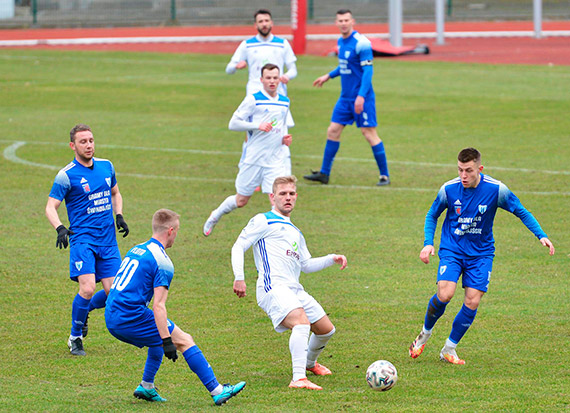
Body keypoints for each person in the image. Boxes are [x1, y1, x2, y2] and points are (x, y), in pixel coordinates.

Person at [409, 148, 555, 365]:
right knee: (445, 294)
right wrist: (428, 243)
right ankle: (424, 334)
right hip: (453, 249)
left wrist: (541, 235)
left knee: (472, 300)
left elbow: (521, 211)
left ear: (480, 168)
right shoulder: (449, 189)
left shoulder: (496, 190)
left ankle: (449, 349)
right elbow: (432, 214)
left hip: (481, 253)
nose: (463, 176)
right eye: (460, 170)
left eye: (468, 170)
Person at [105, 209, 246, 405]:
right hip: (129, 317)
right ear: (170, 231)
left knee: (156, 337)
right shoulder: (163, 262)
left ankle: (146, 386)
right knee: (185, 340)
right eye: (177, 231)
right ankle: (217, 390)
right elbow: (159, 306)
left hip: (112, 314)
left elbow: (115, 287)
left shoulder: (136, 249)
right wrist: (167, 341)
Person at [231, 176, 347, 390]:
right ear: (272, 197)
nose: (288, 198)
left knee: (325, 330)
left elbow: (306, 264)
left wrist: (331, 258)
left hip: (294, 289)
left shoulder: (296, 231)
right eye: (283, 194)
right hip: (272, 287)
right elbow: (238, 246)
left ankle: (310, 364)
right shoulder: (263, 220)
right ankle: (298, 378)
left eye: (291, 193)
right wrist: (239, 277)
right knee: (301, 323)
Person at [45, 124, 129, 356]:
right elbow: (51, 207)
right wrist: (60, 227)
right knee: (88, 287)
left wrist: (119, 215)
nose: (89, 145)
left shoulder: (106, 166)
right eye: (83, 142)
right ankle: (75, 337)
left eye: (91, 140)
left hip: (108, 240)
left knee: (115, 292)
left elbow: (115, 192)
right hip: (83, 240)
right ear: (73, 146)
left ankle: (86, 310)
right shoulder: (66, 175)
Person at [203, 63, 292, 236]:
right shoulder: (253, 99)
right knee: (241, 200)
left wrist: (284, 138)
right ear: (261, 80)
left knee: (277, 200)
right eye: (268, 78)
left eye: (275, 77)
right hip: (253, 159)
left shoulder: (284, 101)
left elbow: (281, 125)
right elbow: (233, 123)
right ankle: (215, 215)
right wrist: (257, 125)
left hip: (274, 160)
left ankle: (281, 239)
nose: (272, 81)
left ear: (279, 79)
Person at [304, 9, 390, 186]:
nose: (343, 23)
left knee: (369, 134)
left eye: (346, 20)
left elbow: (368, 71)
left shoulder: (362, 43)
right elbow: (345, 67)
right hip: (345, 98)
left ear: (353, 22)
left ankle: (384, 176)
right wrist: (328, 76)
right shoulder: (341, 42)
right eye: (340, 20)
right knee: (333, 131)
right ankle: (324, 174)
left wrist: (361, 97)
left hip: (362, 98)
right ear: (336, 23)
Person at [226, 9, 297, 98]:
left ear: (272, 23)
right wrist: (236, 66)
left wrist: (287, 76)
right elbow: (229, 69)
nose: (264, 24)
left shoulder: (282, 44)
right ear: (255, 25)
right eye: (260, 21)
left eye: (266, 21)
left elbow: (293, 70)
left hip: (278, 93)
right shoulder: (247, 45)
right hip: (255, 93)